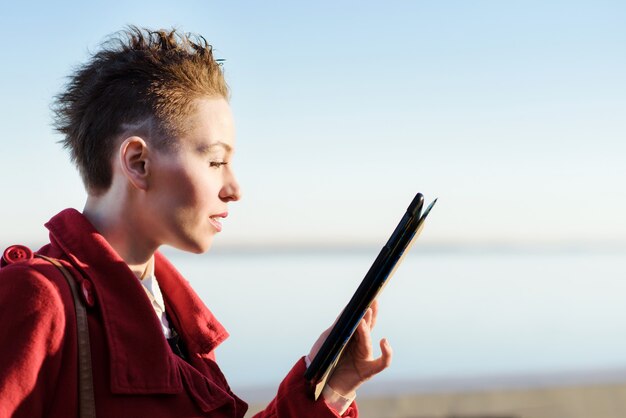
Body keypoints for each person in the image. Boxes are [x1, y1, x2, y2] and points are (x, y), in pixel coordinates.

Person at [0, 27, 392, 417]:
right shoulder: (38, 300)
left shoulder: (170, 314)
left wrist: (331, 385)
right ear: (138, 163)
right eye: (216, 161)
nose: (235, 188)